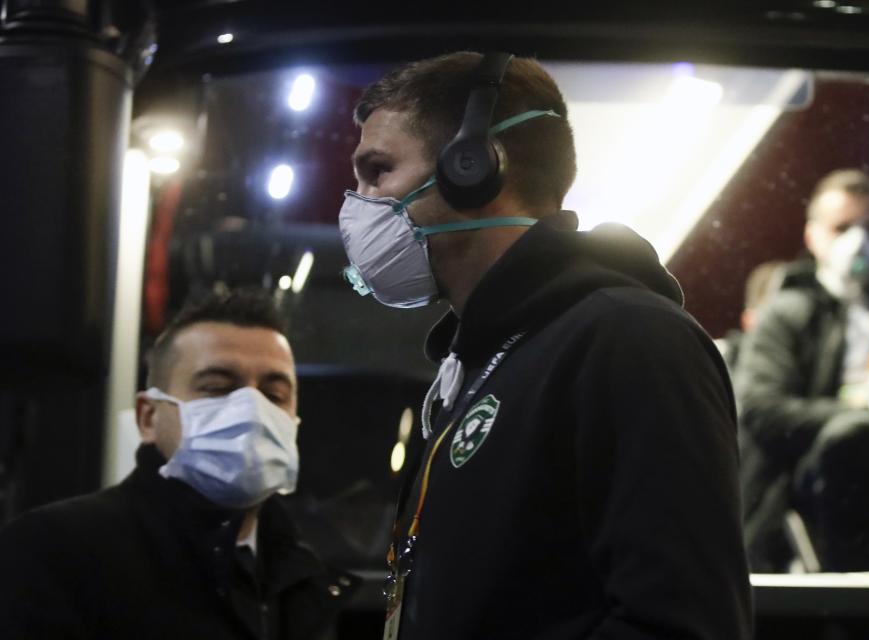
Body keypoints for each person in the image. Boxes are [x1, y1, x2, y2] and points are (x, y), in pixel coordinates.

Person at [338, 51, 751, 639]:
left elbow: (679, 624)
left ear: (472, 165)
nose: (356, 203)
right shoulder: (478, 361)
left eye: (377, 171)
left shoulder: (629, 338)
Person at [0, 289, 356, 639]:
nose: (252, 410)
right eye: (217, 387)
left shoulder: (303, 576)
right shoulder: (53, 552)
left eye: (274, 395)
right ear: (149, 417)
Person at [736, 169, 869, 572]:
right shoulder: (786, 313)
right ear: (813, 236)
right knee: (852, 438)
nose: (858, 240)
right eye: (842, 227)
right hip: (820, 476)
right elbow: (760, 407)